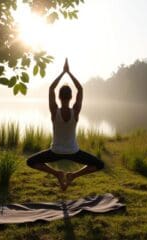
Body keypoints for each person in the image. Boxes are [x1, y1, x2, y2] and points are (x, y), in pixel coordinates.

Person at [26, 58, 104, 191]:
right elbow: (80, 89)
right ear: (71, 97)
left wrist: (63, 73)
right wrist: (69, 73)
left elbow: (51, 89)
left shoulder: (54, 112)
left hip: (55, 151)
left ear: (59, 97)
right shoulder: (76, 112)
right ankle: (73, 175)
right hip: (73, 151)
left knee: (30, 162)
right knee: (99, 164)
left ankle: (57, 174)